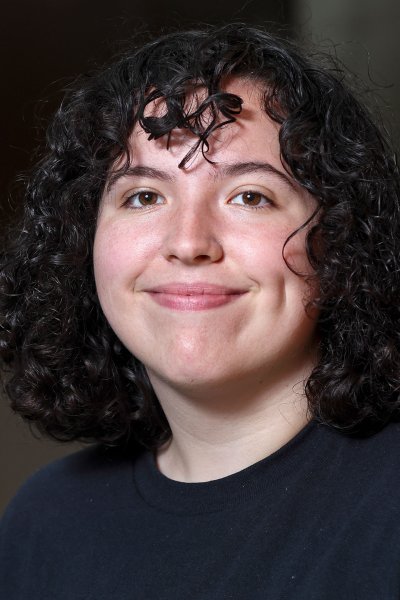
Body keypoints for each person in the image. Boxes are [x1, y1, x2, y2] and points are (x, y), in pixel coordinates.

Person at [1, 22, 400, 599]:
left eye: (250, 196)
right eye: (144, 196)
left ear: (339, 242)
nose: (188, 243)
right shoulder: (45, 522)